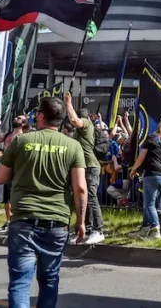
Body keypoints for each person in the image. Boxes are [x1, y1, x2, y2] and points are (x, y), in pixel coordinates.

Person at [0, 97, 87, 308]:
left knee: (20, 282)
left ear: (41, 116)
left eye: (37, 113)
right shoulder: (73, 146)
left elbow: (0, 178)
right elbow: (80, 188)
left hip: (24, 219)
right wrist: (80, 221)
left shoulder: (21, 141)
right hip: (57, 221)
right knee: (49, 280)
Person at [64, 93, 105, 245]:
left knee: (91, 197)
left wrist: (68, 103)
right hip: (82, 167)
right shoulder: (78, 133)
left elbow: (74, 119)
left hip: (91, 167)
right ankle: (85, 229)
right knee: (82, 200)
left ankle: (98, 230)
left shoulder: (87, 125)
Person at [128, 121, 161, 239]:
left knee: (149, 204)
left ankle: (155, 230)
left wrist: (134, 168)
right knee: (151, 203)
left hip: (152, 175)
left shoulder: (151, 139)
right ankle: (145, 227)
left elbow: (141, 157)